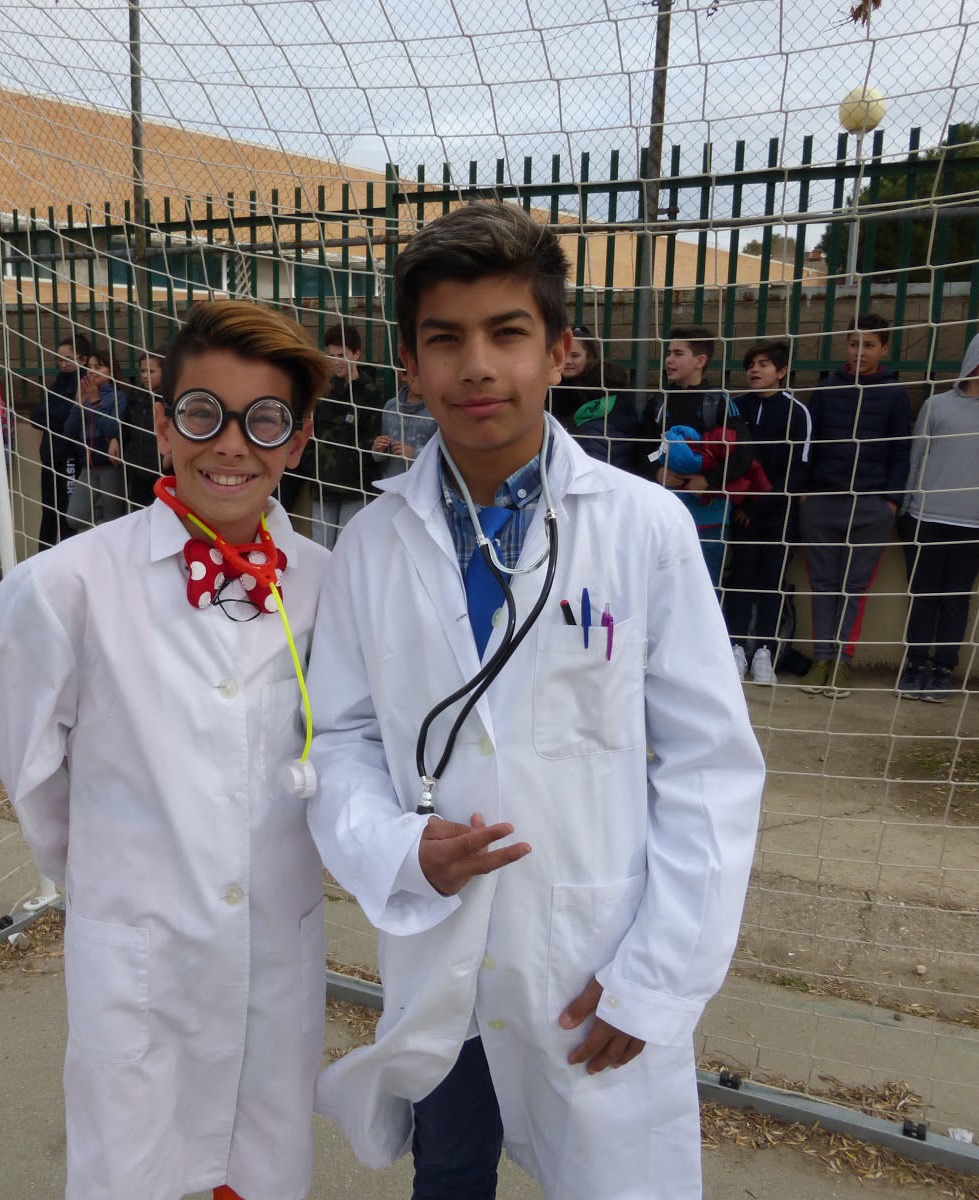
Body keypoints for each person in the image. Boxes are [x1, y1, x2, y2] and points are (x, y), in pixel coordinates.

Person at [305, 201, 763, 1200]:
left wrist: (659, 977)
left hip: (592, 958)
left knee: (607, 1178)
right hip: (443, 957)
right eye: (444, 339)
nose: (476, 366)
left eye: (506, 333)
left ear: (559, 351)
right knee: (449, 1170)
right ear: (410, 364)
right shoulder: (370, 545)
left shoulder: (644, 528)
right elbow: (338, 737)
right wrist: (394, 848)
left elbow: (710, 766)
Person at [0, 300, 332, 1200]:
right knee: (133, 1166)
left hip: (275, 948)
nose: (232, 446)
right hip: (139, 952)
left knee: (263, 1161)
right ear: (164, 425)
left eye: (265, 421)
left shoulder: (330, 587)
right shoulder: (61, 588)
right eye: (203, 414)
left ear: (296, 442)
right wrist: (119, 875)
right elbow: (33, 778)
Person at [896, 331, 979, 703]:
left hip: (974, 523)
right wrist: (906, 507)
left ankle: (943, 670)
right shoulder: (936, 405)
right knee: (923, 596)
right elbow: (916, 457)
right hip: (926, 517)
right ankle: (915, 665)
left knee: (956, 599)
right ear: (974, 360)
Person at [796, 313, 912, 698]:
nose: (860, 351)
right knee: (822, 583)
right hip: (823, 503)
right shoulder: (826, 390)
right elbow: (809, 446)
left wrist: (891, 501)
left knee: (854, 587)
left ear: (884, 349)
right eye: (853, 343)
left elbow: (901, 452)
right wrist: (806, 494)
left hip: (871, 506)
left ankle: (843, 661)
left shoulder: (895, 394)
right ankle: (821, 659)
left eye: (869, 345)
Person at [639, 325, 758, 584]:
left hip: (709, 516)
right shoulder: (658, 402)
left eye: (678, 353)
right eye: (668, 353)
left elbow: (744, 452)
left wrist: (708, 480)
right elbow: (640, 449)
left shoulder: (719, 401)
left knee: (705, 586)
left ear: (700, 361)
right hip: (663, 513)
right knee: (662, 587)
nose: (669, 360)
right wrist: (656, 471)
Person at [724, 339, 812, 684]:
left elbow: (799, 470)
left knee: (771, 582)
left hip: (778, 515)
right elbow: (729, 460)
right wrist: (743, 503)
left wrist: (760, 504)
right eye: (750, 365)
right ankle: (735, 649)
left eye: (763, 364)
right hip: (741, 512)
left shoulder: (797, 412)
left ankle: (765, 652)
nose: (754, 370)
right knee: (741, 579)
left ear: (782, 371)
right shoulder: (736, 407)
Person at [309, 323, 384, 547]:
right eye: (331, 356)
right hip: (323, 485)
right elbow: (311, 433)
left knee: (346, 548)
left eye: (342, 355)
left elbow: (373, 441)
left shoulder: (371, 393)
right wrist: (312, 467)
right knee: (320, 547)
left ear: (356, 354)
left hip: (355, 487)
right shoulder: (323, 390)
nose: (336, 361)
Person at [549, 324, 642, 470]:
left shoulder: (606, 387)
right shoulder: (552, 388)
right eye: (563, 355)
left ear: (590, 357)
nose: (567, 361)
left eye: (575, 355)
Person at [31, 334, 91, 549]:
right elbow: (36, 415)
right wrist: (57, 418)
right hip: (50, 456)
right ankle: (42, 558)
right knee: (48, 510)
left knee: (67, 514)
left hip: (69, 457)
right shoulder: (58, 382)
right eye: (60, 359)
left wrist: (56, 417)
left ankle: (67, 561)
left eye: (68, 359)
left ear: (83, 359)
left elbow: (71, 419)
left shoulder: (85, 382)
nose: (63, 364)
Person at [64, 348, 126, 529]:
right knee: (75, 518)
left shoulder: (118, 396)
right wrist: (78, 404)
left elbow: (113, 429)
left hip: (110, 466)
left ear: (110, 372)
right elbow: (69, 432)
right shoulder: (85, 394)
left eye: (98, 367)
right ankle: (108, 515)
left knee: (113, 523)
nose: (91, 371)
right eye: (89, 367)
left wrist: (96, 401)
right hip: (87, 466)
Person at [371, 372, 437, 481]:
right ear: (403, 375)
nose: (419, 379)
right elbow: (380, 455)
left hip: (424, 483)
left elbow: (445, 455)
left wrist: (414, 454)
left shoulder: (438, 409)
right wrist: (378, 449)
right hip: (391, 482)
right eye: (415, 373)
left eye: (423, 372)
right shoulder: (391, 406)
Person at [121, 350, 166, 510]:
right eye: (142, 371)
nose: (145, 376)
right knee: (138, 512)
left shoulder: (170, 398)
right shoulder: (136, 395)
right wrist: (116, 440)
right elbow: (126, 425)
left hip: (159, 469)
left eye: (151, 371)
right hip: (136, 467)